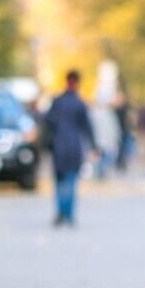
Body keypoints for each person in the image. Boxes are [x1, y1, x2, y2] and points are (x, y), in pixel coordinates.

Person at [44, 70, 97, 227]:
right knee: (71, 181)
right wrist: (94, 145)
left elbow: (47, 120)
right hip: (74, 146)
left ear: (66, 81)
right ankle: (69, 214)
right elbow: (87, 127)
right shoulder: (80, 103)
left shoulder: (57, 101)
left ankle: (61, 212)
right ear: (78, 82)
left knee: (60, 181)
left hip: (58, 145)